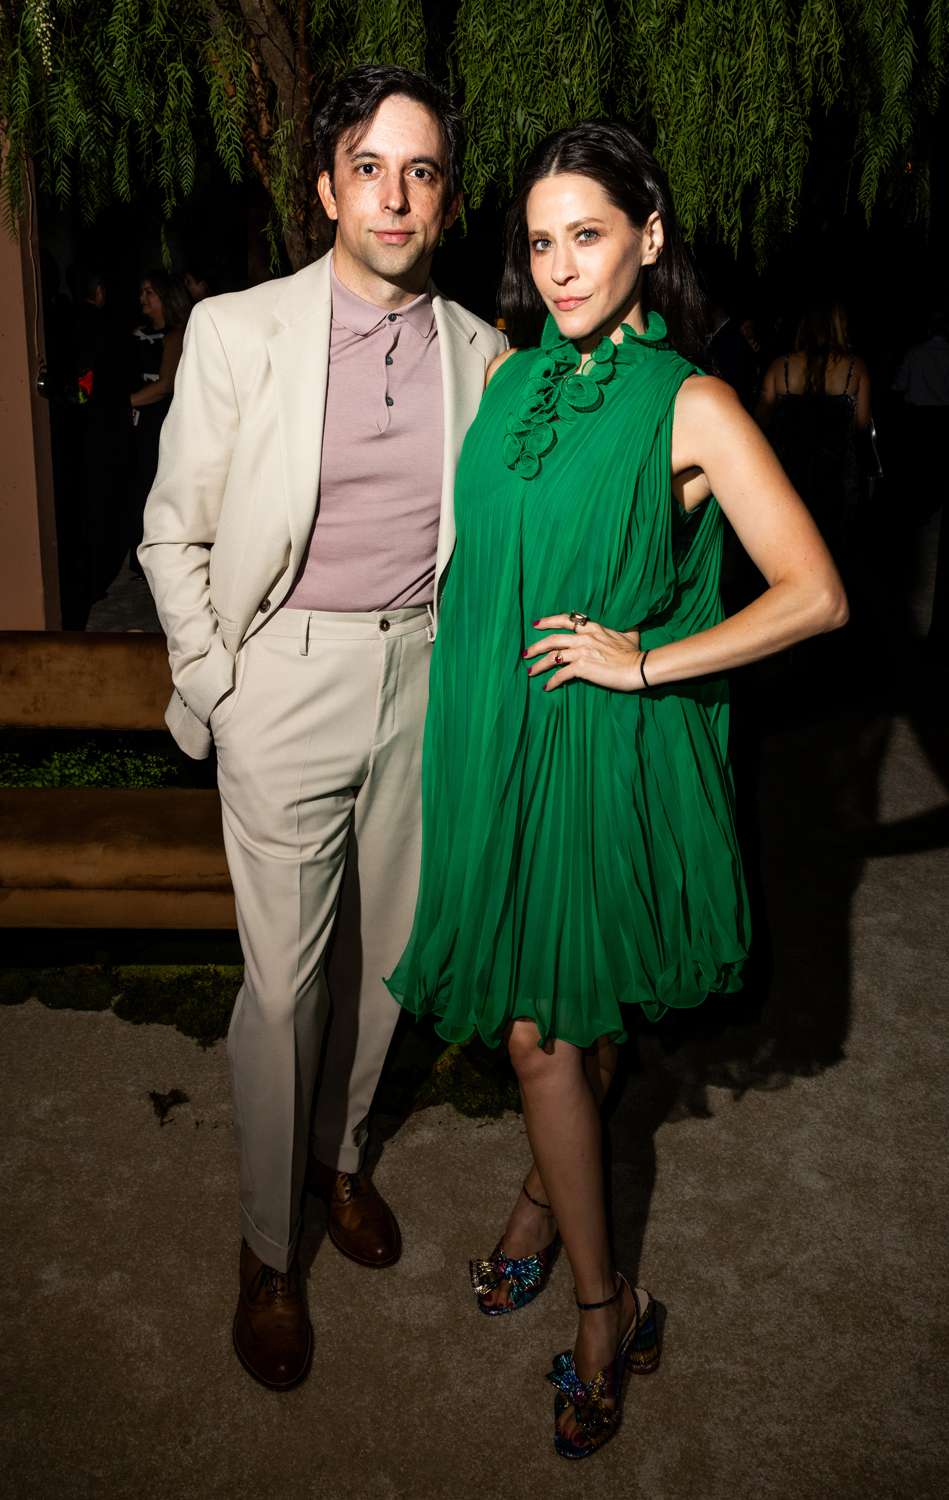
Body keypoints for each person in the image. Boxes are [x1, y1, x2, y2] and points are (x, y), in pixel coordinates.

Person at [386, 122, 848, 1461]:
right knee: (572, 1033)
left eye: (587, 234)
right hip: (494, 736)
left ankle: (606, 1309)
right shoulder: (512, 380)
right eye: (540, 241)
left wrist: (645, 661)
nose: (562, 264)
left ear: (648, 235)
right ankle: (546, 1202)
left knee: (539, 1034)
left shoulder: (690, 401)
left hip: (597, 746)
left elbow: (815, 595)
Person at [139, 65, 505, 1392]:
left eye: (418, 171)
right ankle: (265, 1247)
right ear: (326, 186)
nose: (393, 194)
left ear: (444, 197)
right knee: (285, 985)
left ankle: (340, 1160)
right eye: (369, 166)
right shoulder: (243, 332)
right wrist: (225, 686)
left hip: (425, 683)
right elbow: (173, 530)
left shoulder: (484, 352)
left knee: (390, 960)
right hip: (285, 680)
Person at [756, 301, 872, 566]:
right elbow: (862, 424)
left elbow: (760, 422)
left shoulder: (779, 367)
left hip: (789, 475)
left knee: (788, 555)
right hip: (837, 478)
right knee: (833, 556)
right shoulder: (856, 368)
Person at [127, 270, 191, 575]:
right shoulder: (136, 333)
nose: (142, 299)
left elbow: (166, 384)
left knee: (157, 485)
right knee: (137, 484)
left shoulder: (177, 334)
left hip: (161, 418)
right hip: (139, 418)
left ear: (166, 296)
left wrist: (121, 404)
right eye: (141, 293)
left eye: (149, 293)